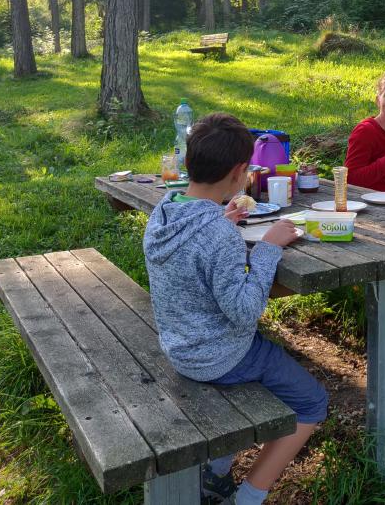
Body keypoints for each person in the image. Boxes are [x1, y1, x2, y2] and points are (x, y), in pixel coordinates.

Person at [143, 113, 327, 505]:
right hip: (218, 355)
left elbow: (197, 253)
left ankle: (217, 471)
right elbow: (245, 312)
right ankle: (247, 498)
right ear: (241, 171)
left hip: (179, 344)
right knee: (313, 401)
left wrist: (222, 221)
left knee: (272, 361)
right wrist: (268, 249)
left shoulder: (164, 210)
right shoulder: (219, 234)